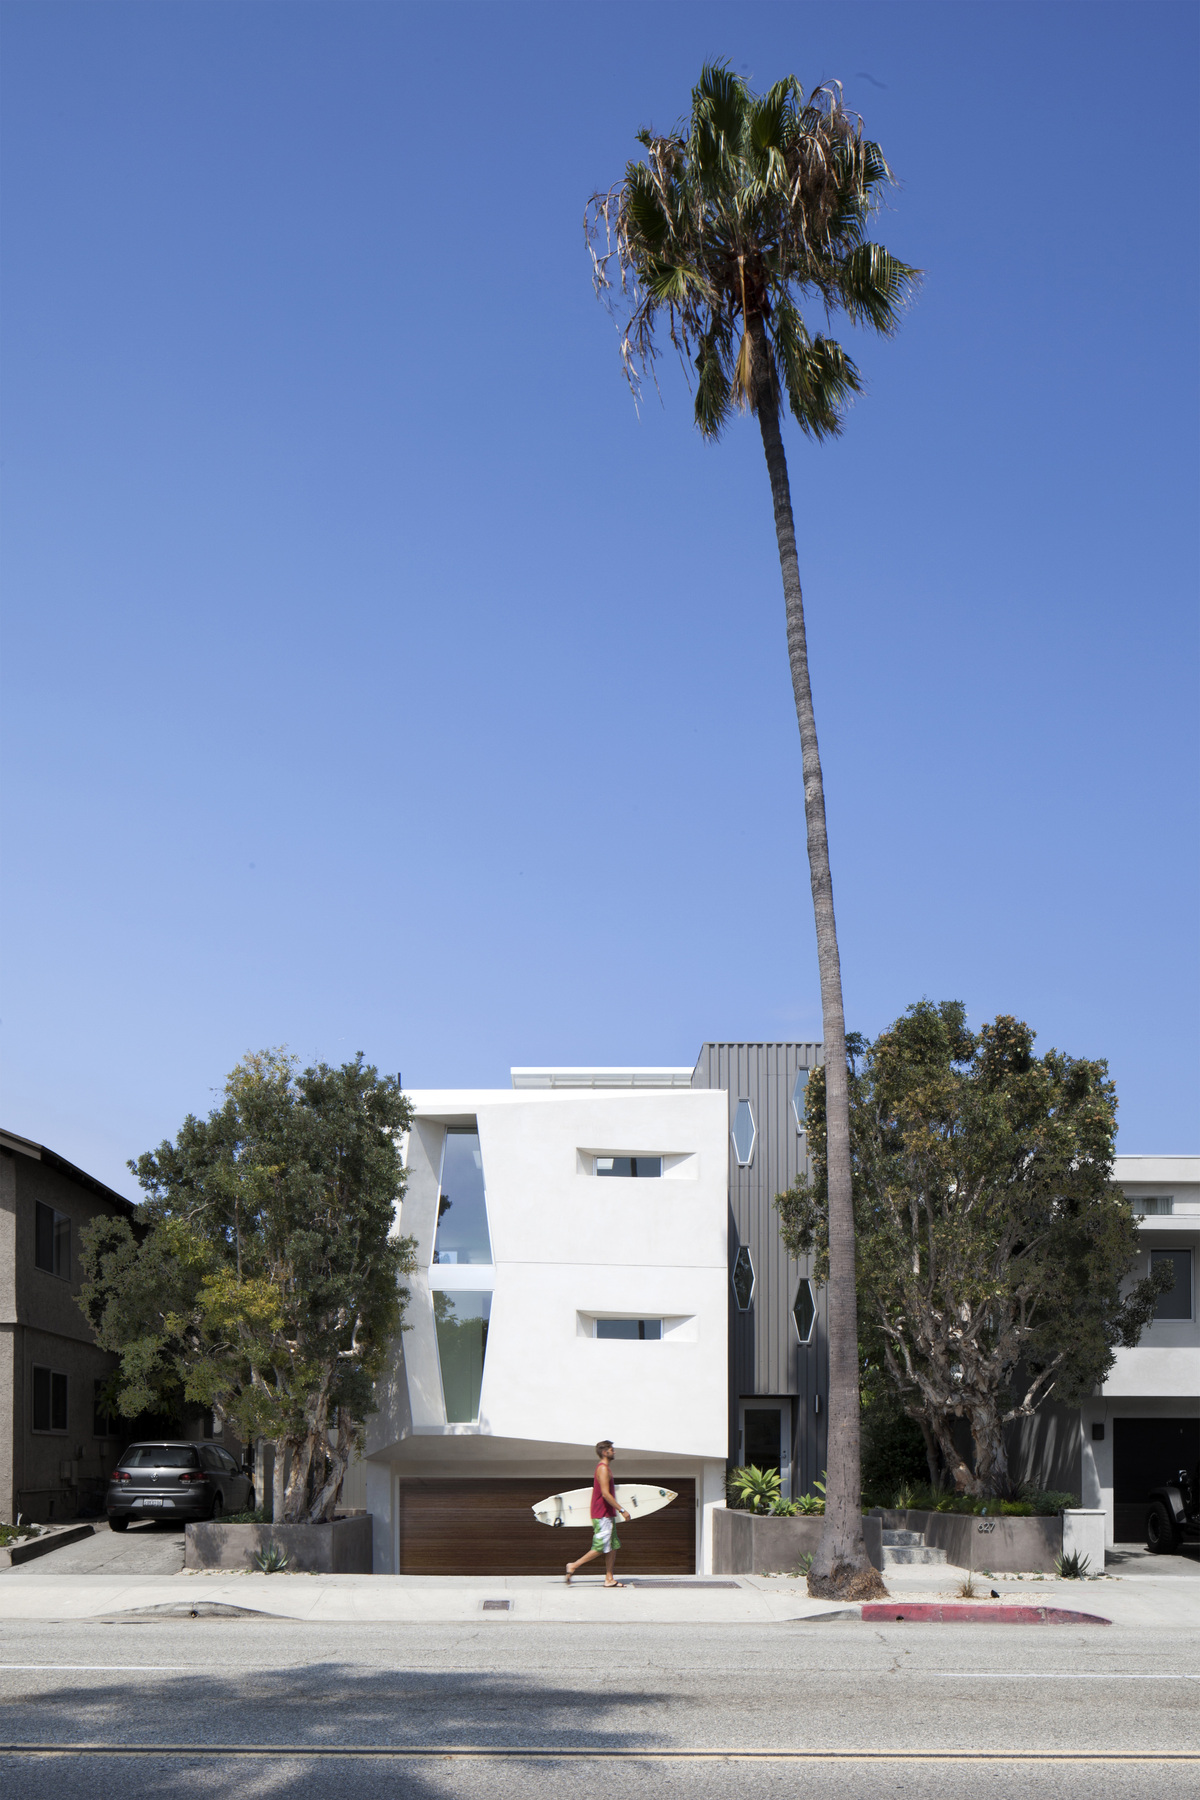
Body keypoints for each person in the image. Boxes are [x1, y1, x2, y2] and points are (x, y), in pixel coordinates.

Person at [565, 1439, 631, 1587]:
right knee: (600, 1547)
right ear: (605, 1452)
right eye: (612, 1450)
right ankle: (573, 1565)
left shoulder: (605, 1468)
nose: (614, 1452)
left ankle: (609, 1578)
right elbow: (605, 1494)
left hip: (607, 1514)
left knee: (612, 1546)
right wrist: (622, 1510)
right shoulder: (602, 1469)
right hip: (602, 1514)